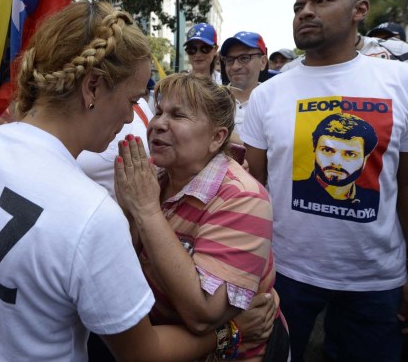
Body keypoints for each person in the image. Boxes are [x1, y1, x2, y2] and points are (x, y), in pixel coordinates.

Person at [0, 1, 239, 360]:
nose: (135, 117)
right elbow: (142, 354)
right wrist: (231, 331)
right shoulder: (91, 216)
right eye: (132, 100)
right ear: (93, 87)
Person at [241, 0, 408, 361]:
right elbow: (254, 185)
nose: (305, 12)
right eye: (299, 6)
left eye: (322, 0)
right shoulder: (268, 94)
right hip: (284, 275)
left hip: (376, 281)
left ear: (359, 10)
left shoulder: (407, 84)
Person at [115, 73, 287, 361]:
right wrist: (131, 213)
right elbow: (125, 269)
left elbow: (203, 314)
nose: (157, 124)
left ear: (217, 137)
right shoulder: (153, 181)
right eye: (158, 111)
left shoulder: (244, 199)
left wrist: (146, 211)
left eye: (177, 115)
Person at [292, 112, 380, 215]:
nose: (336, 161)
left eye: (350, 154)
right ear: (314, 150)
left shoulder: (372, 198)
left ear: (365, 158)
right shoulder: (294, 191)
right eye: (327, 150)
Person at [220, 31, 268, 145]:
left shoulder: (275, 102)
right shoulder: (212, 99)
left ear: (263, 62)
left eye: (244, 58)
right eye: (230, 60)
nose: (235, 66)